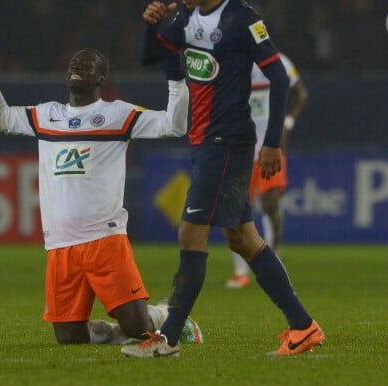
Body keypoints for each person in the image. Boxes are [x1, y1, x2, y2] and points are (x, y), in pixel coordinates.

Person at [122, 0, 325, 357]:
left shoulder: (241, 18)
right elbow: (149, 56)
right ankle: (303, 326)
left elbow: (278, 77)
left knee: (190, 232)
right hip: (205, 139)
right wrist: (150, 25)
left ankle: (168, 337)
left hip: (226, 139)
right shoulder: (185, 17)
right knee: (242, 238)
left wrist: (274, 142)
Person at [0, 33, 203, 345]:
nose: (77, 66)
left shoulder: (117, 114)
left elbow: (174, 125)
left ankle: (167, 314)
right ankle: (115, 334)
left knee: (139, 326)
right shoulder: (46, 115)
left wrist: (176, 80)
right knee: (69, 338)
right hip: (60, 244)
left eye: (87, 63)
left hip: (104, 239)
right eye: (73, 63)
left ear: (101, 78)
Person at [226, 52, 308, 289]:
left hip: (270, 148)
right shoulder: (232, 60)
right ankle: (241, 271)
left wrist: (288, 122)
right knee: (235, 209)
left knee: (270, 204)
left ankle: (274, 258)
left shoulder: (280, 62)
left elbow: (301, 94)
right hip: (239, 146)